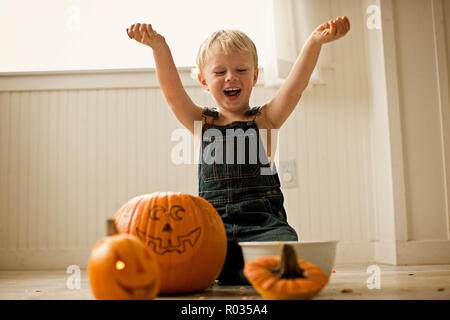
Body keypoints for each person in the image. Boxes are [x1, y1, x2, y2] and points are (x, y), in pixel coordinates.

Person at [126, 16, 350, 285]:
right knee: (182, 257)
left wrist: (314, 42)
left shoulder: (266, 119)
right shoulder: (201, 122)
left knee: (285, 245)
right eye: (219, 72)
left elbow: (295, 88)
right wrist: (159, 47)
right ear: (204, 82)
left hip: (263, 224)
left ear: (255, 76)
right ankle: (241, 271)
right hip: (213, 228)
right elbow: (172, 93)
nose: (231, 77)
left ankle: (248, 271)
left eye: (241, 70)